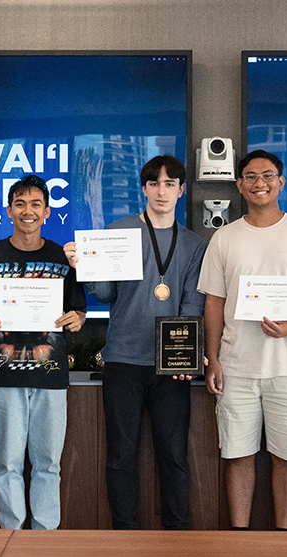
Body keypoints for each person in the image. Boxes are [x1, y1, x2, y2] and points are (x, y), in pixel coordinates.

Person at [64, 155, 207, 530]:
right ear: (144, 189)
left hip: (170, 367)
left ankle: (178, 532)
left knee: (174, 456)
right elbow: (106, 293)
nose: (162, 191)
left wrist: (185, 361)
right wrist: (84, 269)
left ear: (181, 190)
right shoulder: (120, 231)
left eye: (170, 184)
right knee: (120, 457)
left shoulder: (193, 244)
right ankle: (123, 533)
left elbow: (192, 303)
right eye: (155, 184)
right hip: (123, 361)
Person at [198, 149, 287, 530]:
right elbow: (214, 302)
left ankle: (283, 539)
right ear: (239, 184)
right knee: (237, 456)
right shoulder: (225, 237)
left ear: (281, 182)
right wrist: (213, 358)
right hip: (236, 366)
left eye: (268, 175)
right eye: (251, 177)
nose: (260, 183)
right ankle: (240, 539)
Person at [0, 174, 86, 530]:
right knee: (7, 464)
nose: (27, 211)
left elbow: (78, 309)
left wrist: (77, 319)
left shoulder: (62, 258)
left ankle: (46, 538)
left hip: (51, 377)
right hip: (3, 375)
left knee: (49, 463)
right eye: (20, 204)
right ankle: (12, 535)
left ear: (47, 211)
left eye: (35, 204)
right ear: (9, 211)